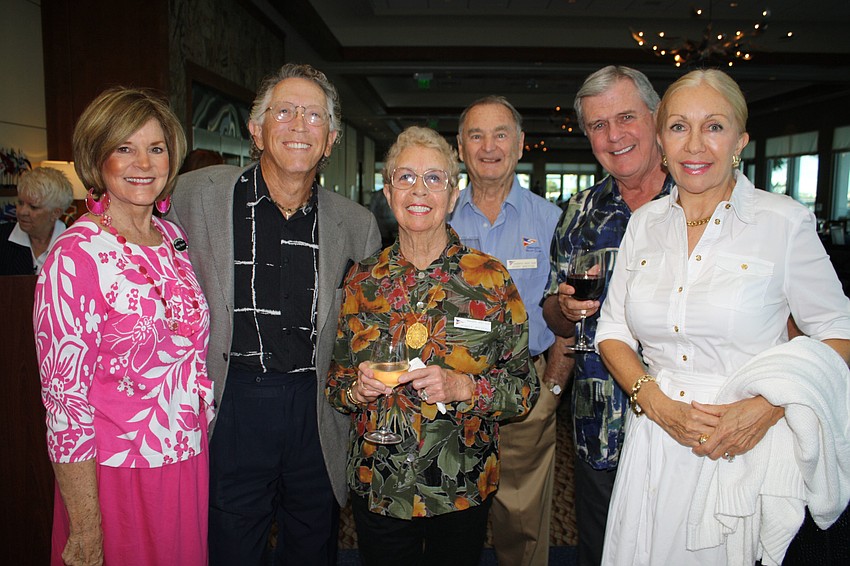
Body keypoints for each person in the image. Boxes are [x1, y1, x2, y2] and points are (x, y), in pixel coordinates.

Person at [596, 69, 850, 564]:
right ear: (661, 141)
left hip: (743, 446)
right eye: (678, 127)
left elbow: (841, 333)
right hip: (656, 439)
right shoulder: (645, 223)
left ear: (740, 140)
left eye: (713, 126)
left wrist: (767, 407)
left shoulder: (783, 223)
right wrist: (655, 401)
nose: (695, 145)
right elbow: (612, 330)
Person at [169, 63, 381, 565]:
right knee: (230, 546)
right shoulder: (195, 195)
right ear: (256, 129)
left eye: (313, 116)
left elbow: (363, 332)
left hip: (316, 407)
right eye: (283, 111)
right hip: (233, 400)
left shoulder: (357, 225)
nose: (298, 125)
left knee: (312, 545)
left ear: (330, 139)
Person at [326, 126, 538, 565]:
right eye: (405, 178)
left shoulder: (490, 279)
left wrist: (466, 389)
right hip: (380, 482)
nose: (418, 190)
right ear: (388, 192)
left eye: (434, 178)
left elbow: (523, 390)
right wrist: (356, 392)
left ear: (454, 193)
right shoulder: (361, 281)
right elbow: (336, 385)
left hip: (460, 485)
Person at [34, 87, 213, 565]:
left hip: (184, 460)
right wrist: (86, 526)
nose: (144, 163)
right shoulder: (75, 256)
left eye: (156, 148)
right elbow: (63, 404)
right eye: (124, 148)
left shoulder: (170, 236)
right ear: (98, 158)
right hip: (118, 474)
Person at [541, 65, 673, 566]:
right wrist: (565, 308)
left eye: (625, 117)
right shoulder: (579, 212)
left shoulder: (697, 202)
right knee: (601, 552)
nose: (614, 135)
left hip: (682, 425)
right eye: (598, 125)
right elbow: (555, 315)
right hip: (600, 425)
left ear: (656, 118)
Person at [447, 95, 563, 566]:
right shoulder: (438, 216)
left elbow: (570, 311)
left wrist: (554, 383)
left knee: (523, 526)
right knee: (451, 519)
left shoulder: (552, 222)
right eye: (476, 135)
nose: (488, 146)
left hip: (527, 388)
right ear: (460, 146)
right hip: (448, 394)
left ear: (519, 146)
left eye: (500, 135)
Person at [0, 166, 73, 275]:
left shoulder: (75, 243)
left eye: (33, 207)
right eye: (20, 203)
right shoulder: (2, 237)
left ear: (56, 213)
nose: (22, 212)